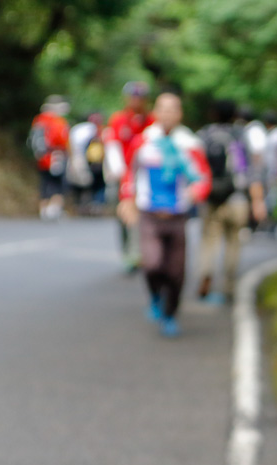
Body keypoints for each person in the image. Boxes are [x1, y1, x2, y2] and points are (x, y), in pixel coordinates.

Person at [122, 92, 211, 337]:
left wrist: (196, 192)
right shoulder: (144, 142)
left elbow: (203, 177)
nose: (168, 113)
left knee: (175, 272)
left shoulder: (189, 144)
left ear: (179, 113)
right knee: (151, 264)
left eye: (173, 109)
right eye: (163, 108)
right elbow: (130, 174)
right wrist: (127, 200)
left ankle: (170, 314)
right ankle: (154, 297)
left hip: (178, 215)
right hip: (150, 213)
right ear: (156, 112)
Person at [196, 99, 258, 304]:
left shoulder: (204, 135)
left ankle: (206, 272)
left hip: (211, 197)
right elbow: (246, 170)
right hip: (236, 198)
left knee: (208, 241)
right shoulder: (239, 136)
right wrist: (256, 199)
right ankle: (229, 285)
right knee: (233, 243)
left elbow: (196, 165)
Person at [104, 81, 153, 272]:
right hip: (123, 176)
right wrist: (120, 174)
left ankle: (140, 252)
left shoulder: (151, 120)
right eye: (133, 96)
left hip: (145, 176)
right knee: (124, 216)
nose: (136, 100)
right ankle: (128, 253)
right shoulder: (118, 120)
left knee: (144, 215)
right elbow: (112, 147)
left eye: (140, 97)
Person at [28, 95, 70, 220]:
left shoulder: (39, 120)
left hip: (42, 157)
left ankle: (43, 209)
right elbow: (63, 140)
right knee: (59, 183)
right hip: (56, 157)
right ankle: (55, 208)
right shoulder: (58, 121)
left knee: (44, 182)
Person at [67, 111, 105, 214]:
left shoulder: (80, 129)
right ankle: (94, 204)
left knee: (85, 183)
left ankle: (83, 205)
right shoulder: (93, 130)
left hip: (83, 159)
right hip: (91, 161)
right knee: (94, 183)